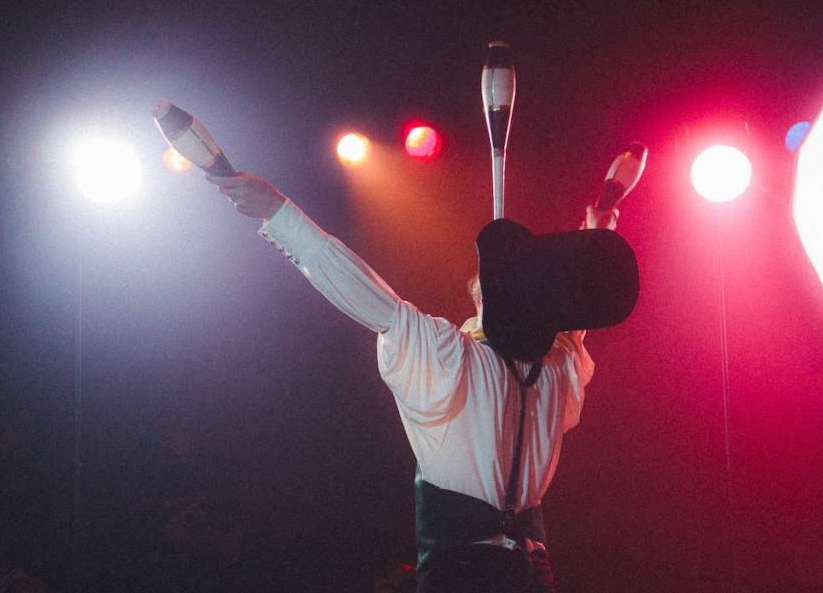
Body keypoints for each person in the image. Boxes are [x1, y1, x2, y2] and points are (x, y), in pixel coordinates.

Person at [206, 172, 624, 592]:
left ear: (485, 299)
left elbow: (370, 296)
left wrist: (279, 212)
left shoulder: (451, 358)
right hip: (532, 578)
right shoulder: (553, 370)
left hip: (464, 578)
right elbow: (573, 323)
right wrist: (597, 231)